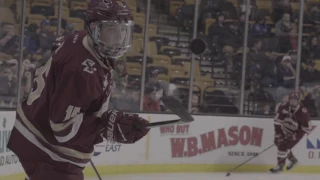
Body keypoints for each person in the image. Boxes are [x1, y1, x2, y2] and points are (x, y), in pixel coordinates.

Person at [7, 0, 150, 180]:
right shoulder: (80, 72)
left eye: (123, 30)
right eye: (112, 30)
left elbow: (59, 56)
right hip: (46, 148)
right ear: (94, 28)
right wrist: (105, 126)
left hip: (37, 129)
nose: (120, 38)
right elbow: (62, 128)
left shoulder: (80, 38)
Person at [269, 91, 311, 173]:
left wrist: (295, 136)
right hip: (285, 129)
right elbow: (277, 121)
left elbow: (307, 128)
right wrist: (278, 133)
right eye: (291, 99)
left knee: (283, 146)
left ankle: (280, 166)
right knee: (278, 141)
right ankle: (293, 160)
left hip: (296, 133)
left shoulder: (303, 112)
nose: (293, 101)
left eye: (295, 100)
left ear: (299, 101)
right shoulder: (284, 107)